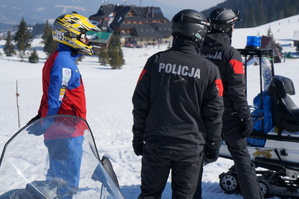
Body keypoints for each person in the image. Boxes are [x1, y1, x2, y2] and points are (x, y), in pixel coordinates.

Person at [132, 9, 224, 199]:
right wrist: (213, 144)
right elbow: (214, 112)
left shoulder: (155, 61)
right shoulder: (209, 70)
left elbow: (140, 102)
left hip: (156, 144)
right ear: (197, 33)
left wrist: (138, 135)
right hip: (190, 149)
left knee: (149, 194)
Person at [28, 12, 101, 198]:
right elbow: (55, 98)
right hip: (65, 132)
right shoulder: (64, 63)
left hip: (63, 129)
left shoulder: (60, 58)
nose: (86, 39)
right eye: (82, 35)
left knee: (57, 181)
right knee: (65, 184)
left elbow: (51, 95)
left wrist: (41, 117)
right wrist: (45, 122)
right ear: (69, 35)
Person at [198, 8, 263, 199]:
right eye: (233, 25)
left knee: (197, 159)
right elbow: (236, 90)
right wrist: (245, 116)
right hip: (227, 115)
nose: (234, 28)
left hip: (200, 113)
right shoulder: (231, 53)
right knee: (242, 159)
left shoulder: (198, 49)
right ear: (227, 28)